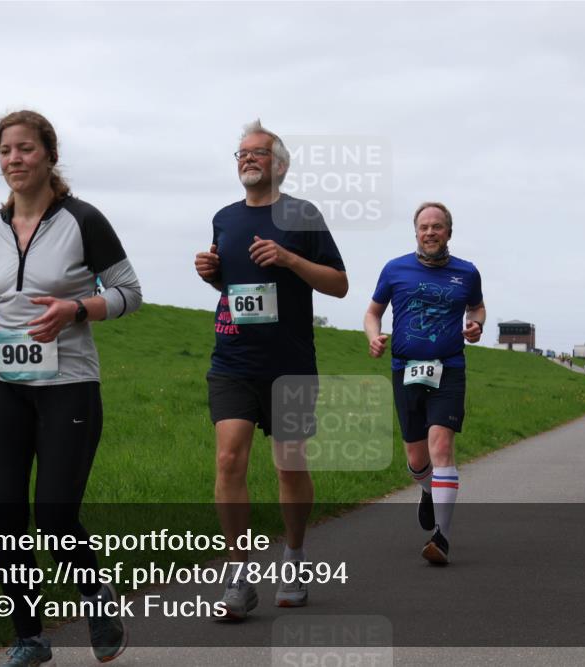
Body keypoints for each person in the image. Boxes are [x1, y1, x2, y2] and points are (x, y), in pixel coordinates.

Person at [0, 110, 141, 666]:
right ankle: (29, 638)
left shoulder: (83, 220)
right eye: (6, 150)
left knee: (55, 517)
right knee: (6, 517)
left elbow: (130, 293)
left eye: (26, 149)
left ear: (49, 155)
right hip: (1, 385)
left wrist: (77, 307)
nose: (15, 159)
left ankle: (96, 597)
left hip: (69, 385)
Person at [194, 120, 347, 619]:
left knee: (289, 464)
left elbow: (339, 284)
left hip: (289, 365)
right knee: (228, 461)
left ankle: (296, 558)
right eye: (239, 154)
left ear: (279, 163)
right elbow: (237, 288)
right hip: (233, 358)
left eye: (256, 153)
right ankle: (238, 578)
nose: (246, 160)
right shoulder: (224, 218)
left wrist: (288, 258)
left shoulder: (302, 215)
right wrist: (213, 275)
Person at [364, 202, 485, 565]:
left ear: (449, 231)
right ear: (415, 232)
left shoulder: (466, 272)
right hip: (405, 369)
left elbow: (477, 308)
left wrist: (476, 326)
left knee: (440, 445)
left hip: (448, 368)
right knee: (417, 459)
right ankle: (429, 491)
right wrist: (373, 335)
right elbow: (373, 311)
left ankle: (442, 538)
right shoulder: (395, 269)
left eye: (437, 226)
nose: (430, 232)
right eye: (424, 227)